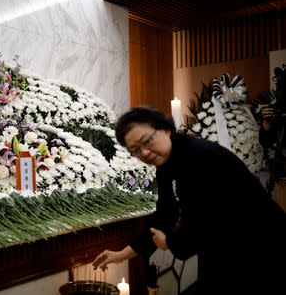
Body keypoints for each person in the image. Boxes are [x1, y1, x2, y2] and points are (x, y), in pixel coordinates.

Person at [92, 106, 285, 294]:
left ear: (165, 129)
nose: (144, 153)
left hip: (260, 243)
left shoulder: (198, 156)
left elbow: (204, 222)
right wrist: (124, 253)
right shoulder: (166, 163)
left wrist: (169, 242)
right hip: (224, 245)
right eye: (135, 150)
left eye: (147, 141)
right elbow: (166, 214)